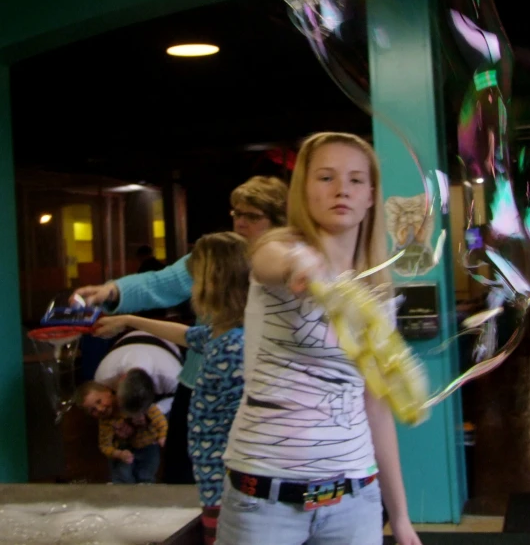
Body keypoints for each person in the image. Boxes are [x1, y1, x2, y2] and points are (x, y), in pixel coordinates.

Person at [216, 132, 422, 545]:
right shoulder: (278, 249)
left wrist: (400, 517)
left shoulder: (377, 292)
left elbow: (376, 408)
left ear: (370, 197)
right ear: (303, 191)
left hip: (355, 502)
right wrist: (302, 264)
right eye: (326, 177)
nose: (342, 188)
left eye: (356, 180)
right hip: (264, 503)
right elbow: (268, 261)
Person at [73, 175, 288, 484]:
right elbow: (162, 284)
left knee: (246, 482)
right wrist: (111, 292)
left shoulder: (291, 265)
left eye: (251, 216)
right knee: (187, 476)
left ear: (278, 221)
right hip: (199, 384)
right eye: (236, 213)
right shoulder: (214, 257)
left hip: (261, 391)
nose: (240, 223)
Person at [93, 231, 249, 545]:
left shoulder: (233, 347)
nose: (191, 284)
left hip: (230, 490)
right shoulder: (224, 333)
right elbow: (189, 336)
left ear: (214, 282)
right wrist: (127, 320)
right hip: (214, 486)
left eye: (196, 275)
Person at [74, 369, 168, 484]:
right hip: (127, 451)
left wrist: (163, 435)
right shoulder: (105, 422)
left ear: (107, 391)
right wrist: (118, 454)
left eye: (99, 401)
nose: (100, 409)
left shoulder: (128, 398)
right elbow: (104, 445)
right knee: (123, 475)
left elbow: (158, 417)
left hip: (149, 447)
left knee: (147, 475)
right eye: (93, 410)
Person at [93, 330, 183, 415]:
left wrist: (156, 409)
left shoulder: (173, 376)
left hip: (164, 341)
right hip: (128, 338)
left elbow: (182, 398)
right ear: (122, 378)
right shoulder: (103, 378)